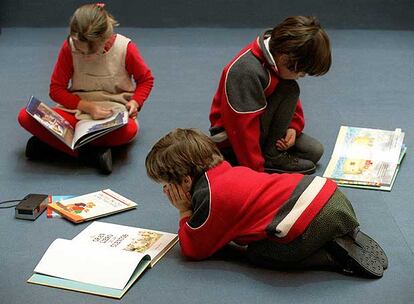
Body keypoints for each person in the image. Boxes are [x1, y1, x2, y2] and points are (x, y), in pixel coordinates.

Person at [145, 128, 388, 278]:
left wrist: (184, 211)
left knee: (258, 252)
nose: (166, 190)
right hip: (328, 192)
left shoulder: (210, 197)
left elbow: (193, 249)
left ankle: (330, 254)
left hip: (311, 221)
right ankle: (343, 229)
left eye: (166, 184)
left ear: (186, 181)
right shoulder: (225, 169)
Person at [18, 3, 154, 174]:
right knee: (25, 115)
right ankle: (92, 155)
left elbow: (146, 79)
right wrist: (88, 107)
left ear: (105, 37)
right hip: (76, 110)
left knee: (129, 131)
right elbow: (56, 89)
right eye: (81, 52)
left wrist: (135, 102)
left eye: (91, 52)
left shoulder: (125, 48)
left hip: (111, 115)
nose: (85, 57)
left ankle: (52, 146)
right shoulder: (70, 46)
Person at [209, 16, 330, 174]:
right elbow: (242, 129)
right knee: (290, 88)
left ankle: (269, 155)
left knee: (313, 151)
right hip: (231, 139)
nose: (301, 76)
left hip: (261, 123)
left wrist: (293, 126)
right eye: (301, 72)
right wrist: (257, 173)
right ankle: (269, 157)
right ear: (285, 59)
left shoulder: (277, 56)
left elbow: (286, 99)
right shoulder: (245, 72)